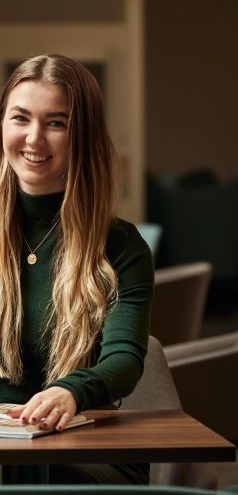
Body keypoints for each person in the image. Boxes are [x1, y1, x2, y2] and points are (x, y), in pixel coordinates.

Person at [0, 54, 154, 484]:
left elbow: (124, 360)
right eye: (20, 118)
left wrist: (72, 391)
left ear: (82, 135)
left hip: (87, 449)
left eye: (56, 123)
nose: (34, 138)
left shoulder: (122, 246)